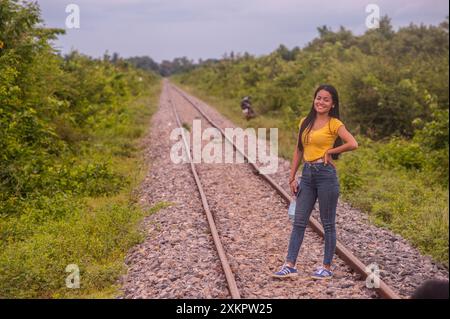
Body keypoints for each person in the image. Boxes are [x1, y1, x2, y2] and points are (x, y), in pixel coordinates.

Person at [272, 84, 358, 280]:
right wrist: (292, 176)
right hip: (307, 175)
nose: (321, 102)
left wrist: (330, 152)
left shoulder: (335, 124)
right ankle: (289, 264)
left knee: (328, 224)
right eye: (318, 98)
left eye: (326, 99)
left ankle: (326, 267)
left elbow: (353, 143)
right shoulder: (305, 122)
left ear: (332, 104)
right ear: (314, 99)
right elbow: (298, 150)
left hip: (326, 175)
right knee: (299, 221)